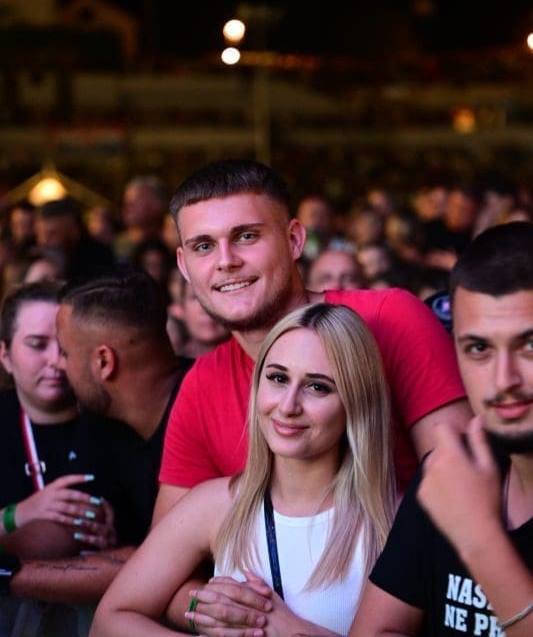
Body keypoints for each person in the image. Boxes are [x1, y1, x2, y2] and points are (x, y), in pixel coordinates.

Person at [154, 158, 469, 631]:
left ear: (295, 240)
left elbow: (470, 500)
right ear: (184, 265)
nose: (226, 260)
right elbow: (166, 578)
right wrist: (218, 611)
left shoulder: (391, 319)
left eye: (246, 236)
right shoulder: (202, 383)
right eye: (203, 246)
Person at [91, 302, 397, 637]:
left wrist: (292, 630)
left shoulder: (394, 519)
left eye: (317, 386)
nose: (288, 405)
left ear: (357, 401)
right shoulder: (216, 503)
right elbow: (108, 620)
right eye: (278, 378)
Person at [349, 221, 533, 637]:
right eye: (479, 348)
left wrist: (477, 536)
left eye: (530, 345)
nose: (504, 379)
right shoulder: (455, 467)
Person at [2, 268, 193, 607]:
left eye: (65, 352)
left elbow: (160, 565)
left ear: (104, 361)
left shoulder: (210, 406)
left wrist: (8, 573)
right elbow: (66, 527)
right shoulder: (101, 419)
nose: (59, 365)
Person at [0, 281, 114, 636]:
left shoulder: (114, 419)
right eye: (37, 344)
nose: (55, 361)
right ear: (5, 355)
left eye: (65, 346)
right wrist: (17, 514)